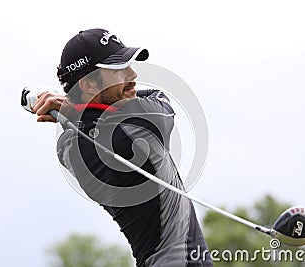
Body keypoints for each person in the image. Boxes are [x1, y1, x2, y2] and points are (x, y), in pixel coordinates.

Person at [32, 28, 213, 267]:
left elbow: (91, 124)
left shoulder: (67, 148)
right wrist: (73, 108)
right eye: (118, 70)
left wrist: (74, 107)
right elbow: (160, 97)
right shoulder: (141, 125)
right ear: (88, 84)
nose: (133, 74)